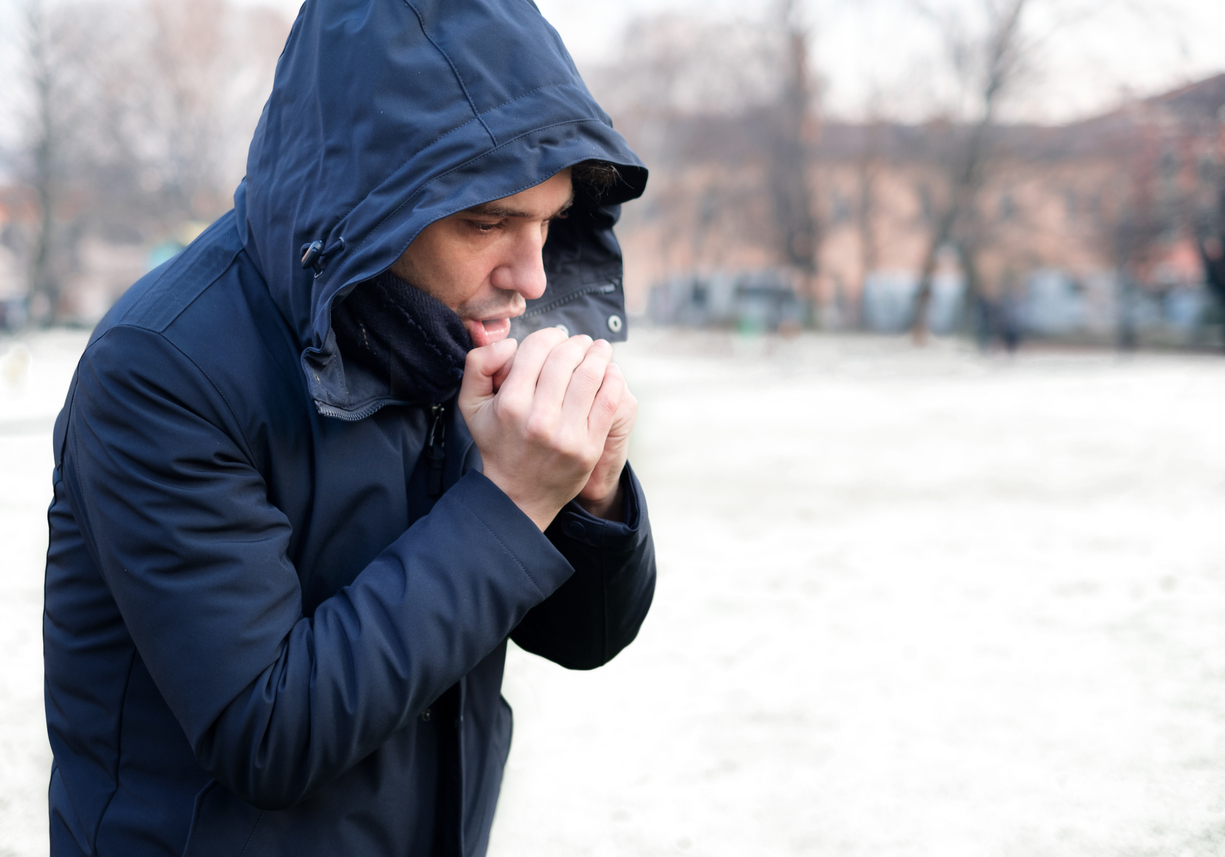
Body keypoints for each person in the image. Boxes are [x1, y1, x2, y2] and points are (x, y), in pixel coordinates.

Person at [42, 1, 655, 855]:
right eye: (488, 222)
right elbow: (266, 735)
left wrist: (590, 495)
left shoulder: (447, 329)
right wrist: (512, 501)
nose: (532, 274)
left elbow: (584, 637)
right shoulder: (160, 369)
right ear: (372, 201)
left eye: (549, 222)